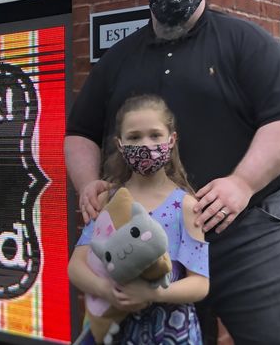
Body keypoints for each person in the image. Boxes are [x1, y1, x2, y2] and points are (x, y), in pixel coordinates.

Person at [66, 0, 280, 344]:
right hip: (157, 243)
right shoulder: (119, 59)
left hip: (253, 232)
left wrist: (242, 183)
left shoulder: (245, 42)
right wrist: (87, 185)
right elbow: (78, 132)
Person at [69, 94, 209, 344]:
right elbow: (76, 267)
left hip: (171, 333)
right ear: (120, 144)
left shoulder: (186, 206)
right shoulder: (108, 201)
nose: (146, 144)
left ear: (171, 139)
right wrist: (106, 291)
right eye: (134, 137)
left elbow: (199, 283)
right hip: (116, 329)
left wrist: (152, 293)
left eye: (155, 135)